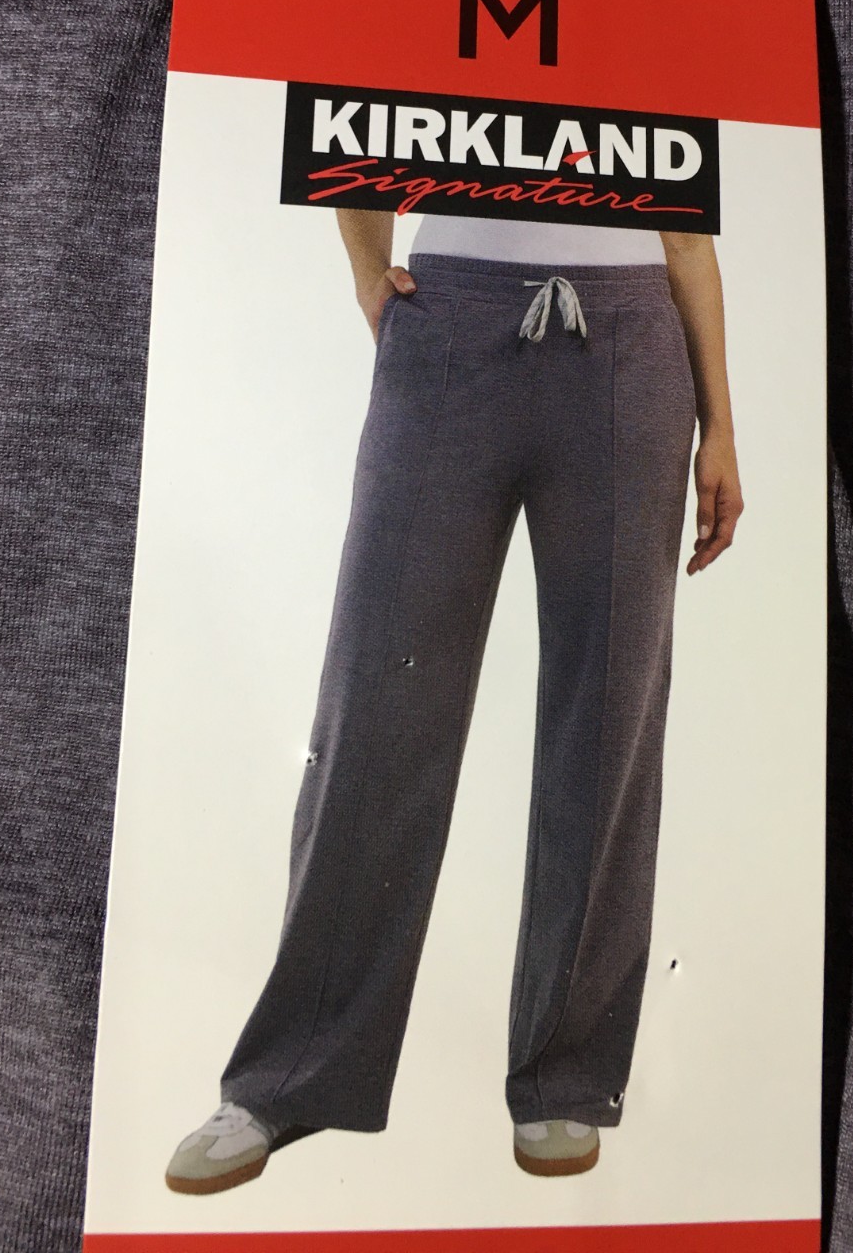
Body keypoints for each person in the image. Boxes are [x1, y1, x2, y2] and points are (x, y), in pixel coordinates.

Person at [164, 204, 742, 1192]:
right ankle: (290, 1073)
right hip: (449, 314)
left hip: (632, 338)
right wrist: (366, 266)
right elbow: (356, 128)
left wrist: (721, 424)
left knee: (610, 714)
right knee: (376, 699)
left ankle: (565, 1072)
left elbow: (688, 231)